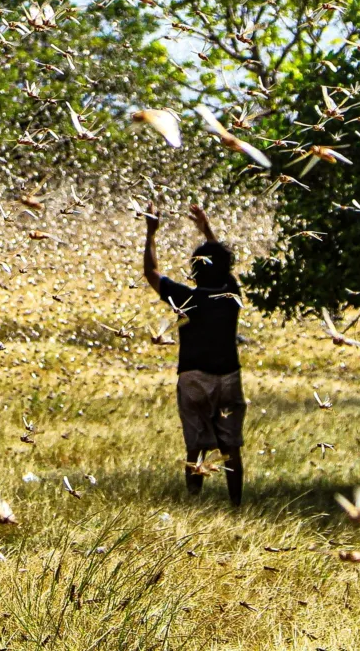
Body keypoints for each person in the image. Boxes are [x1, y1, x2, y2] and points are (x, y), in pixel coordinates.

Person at [144, 202, 246, 506]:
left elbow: (151, 272)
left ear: (194, 270)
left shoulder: (185, 297)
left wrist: (151, 234)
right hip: (227, 375)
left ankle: (193, 502)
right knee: (231, 447)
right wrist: (206, 228)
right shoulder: (231, 297)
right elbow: (224, 266)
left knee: (196, 447)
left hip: (192, 377)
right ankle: (236, 505)